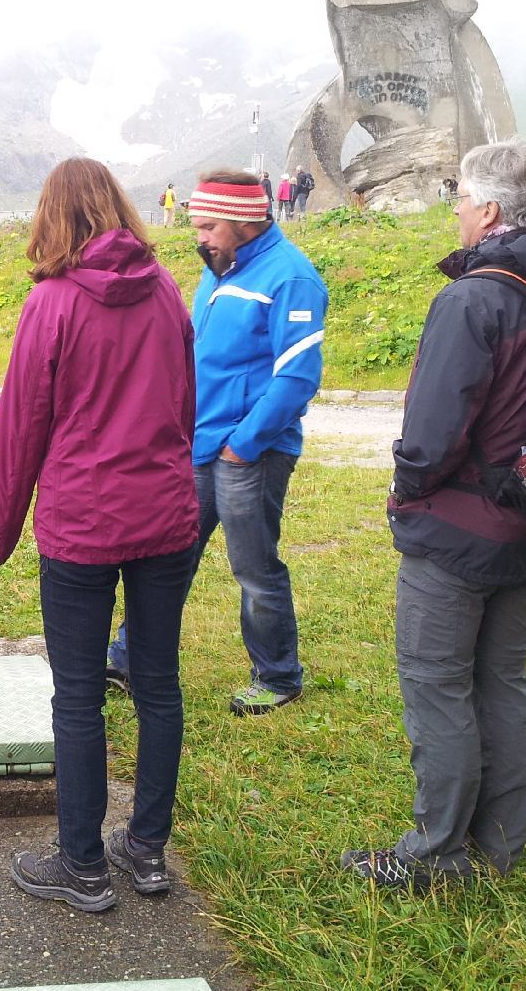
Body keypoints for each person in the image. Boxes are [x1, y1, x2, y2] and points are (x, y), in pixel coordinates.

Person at [342, 139, 526, 892]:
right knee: (502, 679)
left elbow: (433, 430)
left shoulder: (472, 298)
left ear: (492, 210)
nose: (456, 210)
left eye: (463, 197)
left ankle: (436, 854)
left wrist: (408, 488)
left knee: (438, 683)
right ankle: (500, 842)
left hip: (458, 531)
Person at [0, 158, 199, 913]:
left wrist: (1, 530)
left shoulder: (51, 302)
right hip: (165, 515)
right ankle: (146, 849)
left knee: (77, 695)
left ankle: (81, 864)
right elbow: (185, 402)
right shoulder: (167, 289)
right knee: (158, 683)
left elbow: (21, 426)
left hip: (82, 522)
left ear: (52, 215)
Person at [108, 170, 328, 716]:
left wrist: (243, 446)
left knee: (253, 568)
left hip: (248, 454)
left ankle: (278, 676)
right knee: (167, 557)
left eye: (208, 226)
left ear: (244, 222)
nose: (199, 236)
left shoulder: (291, 278)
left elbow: (297, 377)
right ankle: (127, 659)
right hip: (198, 444)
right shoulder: (220, 268)